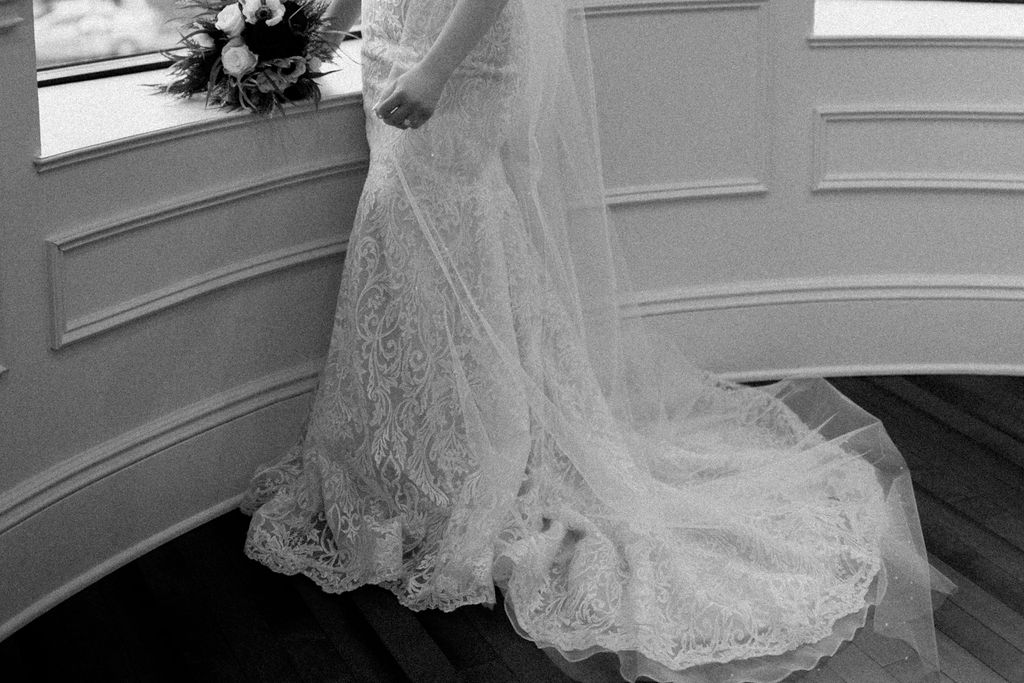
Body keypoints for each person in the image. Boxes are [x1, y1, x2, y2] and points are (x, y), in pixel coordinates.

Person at [242, 0, 952, 680]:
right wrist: (312, 32)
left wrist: (435, 70)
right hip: (393, 40)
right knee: (410, 247)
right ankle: (414, 462)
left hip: (453, 54)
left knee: (450, 229)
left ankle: (474, 464)